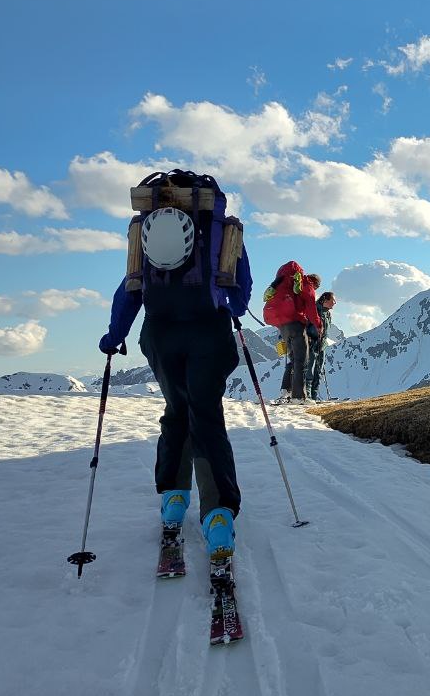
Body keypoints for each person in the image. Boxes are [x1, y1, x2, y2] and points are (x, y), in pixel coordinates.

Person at [98, 170, 251, 561]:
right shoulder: (216, 229)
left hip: (161, 336)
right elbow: (240, 284)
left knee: (176, 411)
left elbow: (131, 288)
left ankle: (174, 500)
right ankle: (218, 517)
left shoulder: (145, 234)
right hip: (209, 334)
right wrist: (231, 308)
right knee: (207, 416)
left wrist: (115, 335)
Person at [263, 264, 321, 402]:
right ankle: (299, 397)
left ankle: (287, 391)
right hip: (295, 323)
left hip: (282, 325)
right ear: (316, 283)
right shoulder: (307, 284)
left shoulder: (284, 283)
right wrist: (318, 325)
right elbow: (311, 308)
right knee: (302, 360)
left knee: (294, 359)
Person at [307, 290, 337, 399]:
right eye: (333, 300)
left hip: (322, 344)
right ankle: (308, 395)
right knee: (309, 370)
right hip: (313, 343)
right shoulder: (314, 310)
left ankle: (314, 396)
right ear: (325, 300)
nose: (335, 303)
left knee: (318, 370)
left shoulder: (327, 313)